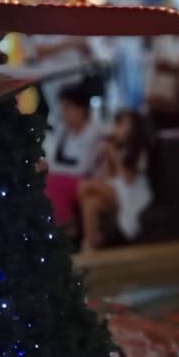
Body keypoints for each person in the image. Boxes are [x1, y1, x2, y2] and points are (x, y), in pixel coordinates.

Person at [78, 110, 153, 250]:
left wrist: (114, 154)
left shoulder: (140, 150)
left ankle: (93, 240)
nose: (117, 128)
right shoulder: (118, 147)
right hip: (119, 189)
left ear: (133, 127)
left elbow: (128, 180)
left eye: (122, 124)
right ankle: (91, 243)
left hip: (134, 192)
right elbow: (109, 177)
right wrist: (105, 157)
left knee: (84, 186)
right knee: (90, 203)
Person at [43, 83, 103, 231]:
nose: (64, 112)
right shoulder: (63, 130)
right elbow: (52, 157)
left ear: (81, 109)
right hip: (63, 178)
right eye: (62, 107)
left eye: (68, 108)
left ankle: (67, 226)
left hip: (86, 180)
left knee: (52, 182)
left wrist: (53, 168)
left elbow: (83, 168)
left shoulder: (93, 132)